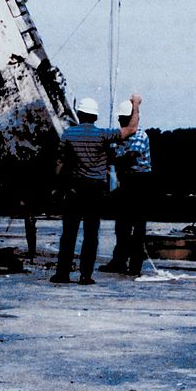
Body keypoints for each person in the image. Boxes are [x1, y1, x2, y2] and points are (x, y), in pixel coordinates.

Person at [52, 93, 141, 285]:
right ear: (95, 116)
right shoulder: (103, 134)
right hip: (94, 190)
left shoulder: (68, 134)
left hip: (74, 189)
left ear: (80, 113)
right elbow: (132, 128)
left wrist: (59, 186)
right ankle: (85, 275)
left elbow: (60, 163)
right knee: (91, 234)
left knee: (69, 234)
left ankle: (62, 274)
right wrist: (135, 104)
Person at [101, 99, 154, 276]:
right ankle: (119, 261)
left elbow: (129, 157)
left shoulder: (140, 135)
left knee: (137, 226)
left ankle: (135, 265)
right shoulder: (120, 135)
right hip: (127, 182)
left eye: (124, 119)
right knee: (121, 225)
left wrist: (111, 158)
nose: (121, 122)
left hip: (139, 182)